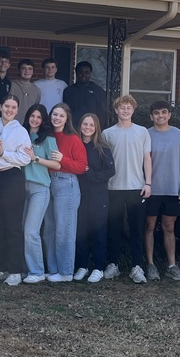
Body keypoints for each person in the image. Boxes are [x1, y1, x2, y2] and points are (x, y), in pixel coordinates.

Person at [101, 95, 152, 284]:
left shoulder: (142, 132)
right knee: (113, 228)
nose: (125, 110)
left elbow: (147, 158)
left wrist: (148, 183)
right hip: (113, 187)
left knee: (136, 229)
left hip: (137, 187)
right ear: (116, 110)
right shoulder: (107, 133)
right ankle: (113, 264)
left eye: (128, 107)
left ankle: (136, 266)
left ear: (133, 110)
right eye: (122, 108)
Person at [144, 100, 180, 282]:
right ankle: (150, 265)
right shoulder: (145, 135)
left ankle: (172, 265)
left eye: (164, 112)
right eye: (156, 113)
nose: (160, 116)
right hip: (151, 190)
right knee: (149, 227)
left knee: (169, 228)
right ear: (151, 116)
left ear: (169, 114)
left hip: (173, 190)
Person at [0, 95, 33, 285]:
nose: (9, 110)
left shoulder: (21, 131)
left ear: (17, 110)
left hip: (11, 178)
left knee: (13, 225)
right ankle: (0, 267)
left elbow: (25, 159)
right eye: (7, 106)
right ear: (1, 106)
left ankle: (15, 270)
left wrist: (3, 153)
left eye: (13, 107)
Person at [42, 102, 87, 282]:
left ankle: (66, 272)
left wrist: (63, 160)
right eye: (54, 114)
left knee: (64, 230)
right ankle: (53, 270)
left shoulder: (73, 138)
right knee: (49, 230)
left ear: (67, 118)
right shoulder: (46, 136)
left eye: (61, 115)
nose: (57, 118)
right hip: (47, 183)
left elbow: (82, 166)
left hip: (66, 184)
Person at [74, 113, 115, 283]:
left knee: (98, 231)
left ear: (96, 127)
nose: (88, 128)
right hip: (79, 193)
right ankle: (82, 266)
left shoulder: (102, 147)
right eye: (85, 124)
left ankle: (98, 267)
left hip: (98, 194)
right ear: (80, 125)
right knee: (81, 231)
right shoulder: (75, 144)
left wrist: (91, 174)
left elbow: (110, 171)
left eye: (91, 125)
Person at [23, 104, 60, 283]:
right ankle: (24, 268)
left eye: (39, 117)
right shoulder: (21, 135)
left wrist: (35, 158)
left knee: (31, 231)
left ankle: (37, 271)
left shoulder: (47, 138)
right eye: (32, 116)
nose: (35, 119)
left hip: (40, 188)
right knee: (23, 229)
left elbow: (56, 165)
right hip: (21, 189)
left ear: (43, 120)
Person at [64, 61, 107, 127]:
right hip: (72, 129)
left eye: (86, 72)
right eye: (80, 72)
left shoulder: (98, 91)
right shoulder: (68, 91)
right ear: (76, 73)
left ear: (90, 73)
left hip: (91, 128)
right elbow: (65, 111)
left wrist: (99, 128)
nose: (83, 75)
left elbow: (102, 112)